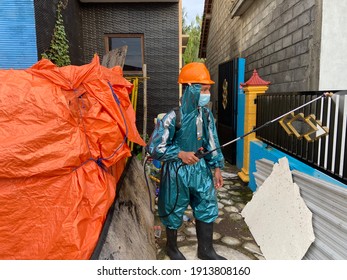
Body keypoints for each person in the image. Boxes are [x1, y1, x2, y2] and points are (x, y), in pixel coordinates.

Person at [146, 62, 226, 260]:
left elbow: (212, 141)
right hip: (176, 172)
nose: (208, 94)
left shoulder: (206, 115)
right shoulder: (173, 117)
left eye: (208, 89)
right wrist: (180, 154)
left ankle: (206, 250)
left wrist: (216, 168)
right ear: (191, 88)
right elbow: (155, 148)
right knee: (173, 207)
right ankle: (171, 248)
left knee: (207, 204)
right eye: (204, 89)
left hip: (200, 170)